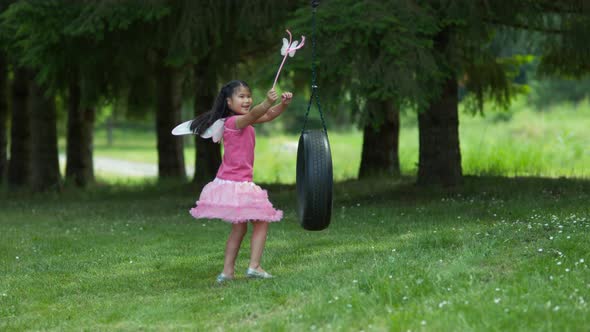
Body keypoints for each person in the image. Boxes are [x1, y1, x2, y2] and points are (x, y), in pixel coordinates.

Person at [188, 80, 292, 283]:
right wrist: (267, 102)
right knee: (262, 221)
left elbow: (267, 115)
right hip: (237, 184)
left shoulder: (243, 120)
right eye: (241, 96)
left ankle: (227, 273)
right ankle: (254, 267)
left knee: (240, 228)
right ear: (228, 102)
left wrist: (283, 105)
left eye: (248, 96)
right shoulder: (232, 123)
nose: (246, 100)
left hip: (235, 183)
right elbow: (256, 113)